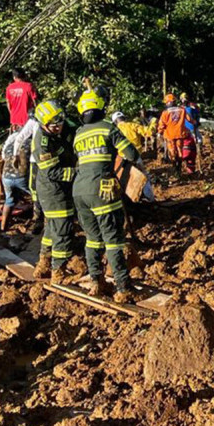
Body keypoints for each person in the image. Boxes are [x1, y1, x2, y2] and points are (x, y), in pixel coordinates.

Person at [72, 88, 143, 303]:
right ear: (101, 108)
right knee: (113, 240)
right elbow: (132, 153)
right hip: (102, 190)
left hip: (79, 191)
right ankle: (123, 288)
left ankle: (96, 281)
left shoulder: (78, 133)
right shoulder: (107, 128)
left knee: (92, 239)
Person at [32, 100, 79, 282]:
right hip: (53, 191)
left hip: (61, 188)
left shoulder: (64, 127)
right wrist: (79, 174)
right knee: (63, 229)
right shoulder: (42, 143)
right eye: (54, 124)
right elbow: (52, 172)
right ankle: (59, 269)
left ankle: (43, 263)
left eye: (60, 121)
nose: (59, 125)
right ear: (44, 124)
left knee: (52, 228)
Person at [0, 124, 33, 230]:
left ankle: (3, 227)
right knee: (39, 198)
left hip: (6, 177)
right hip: (21, 176)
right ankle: (41, 223)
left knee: (9, 201)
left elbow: (4, 157)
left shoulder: (11, 144)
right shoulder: (30, 143)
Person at [157, 94, 192, 173]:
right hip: (180, 134)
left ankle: (175, 167)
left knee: (172, 151)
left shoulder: (165, 113)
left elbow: (162, 124)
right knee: (180, 150)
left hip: (170, 136)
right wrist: (195, 123)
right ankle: (179, 166)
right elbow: (189, 119)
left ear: (168, 102)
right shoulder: (182, 110)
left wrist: (159, 132)